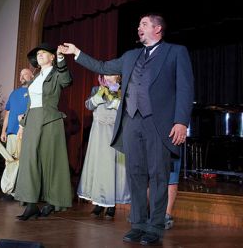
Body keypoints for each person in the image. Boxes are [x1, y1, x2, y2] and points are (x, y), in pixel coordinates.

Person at [61, 13, 194, 245]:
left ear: (157, 28)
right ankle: (138, 224)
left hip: (158, 123)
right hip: (132, 122)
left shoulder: (175, 52)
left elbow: (185, 88)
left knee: (159, 176)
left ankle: (155, 227)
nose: (138, 27)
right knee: (135, 175)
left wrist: (181, 121)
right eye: (139, 24)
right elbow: (101, 66)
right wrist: (77, 53)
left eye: (143, 24)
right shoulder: (131, 56)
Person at [14, 43, 73, 220]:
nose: (39, 55)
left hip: (50, 120)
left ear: (52, 56)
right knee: (29, 161)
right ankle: (30, 204)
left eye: (43, 53)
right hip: (32, 119)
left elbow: (66, 81)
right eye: (37, 54)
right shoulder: (36, 76)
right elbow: (31, 103)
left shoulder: (57, 73)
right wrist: (22, 125)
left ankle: (52, 201)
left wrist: (62, 60)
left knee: (50, 161)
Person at [77, 75, 130, 219]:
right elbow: (88, 105)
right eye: (105, 74)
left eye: (110, 74)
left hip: (114, 132)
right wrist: (100, 93)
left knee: (113, 168)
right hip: (99, 133)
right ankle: (99, 204)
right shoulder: (96, 89)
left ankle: (111, 205)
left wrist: (112, 97)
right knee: (99, 167)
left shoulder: (123, 89)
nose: (106, 77)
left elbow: (126, 109)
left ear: (117, 77)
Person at [0, 68, 34, 201]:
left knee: (23, 162)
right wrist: (3, 131)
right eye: (20, 75)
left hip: (26, 132)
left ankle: (20, 192)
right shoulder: (14, 93)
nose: (22, 77)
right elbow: (7, 113)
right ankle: (9, 191)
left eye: (25, 74)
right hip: (12, 132)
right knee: (10, 161)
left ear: (32, 75)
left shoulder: (34, 91)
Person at [165, 157, 182, 230]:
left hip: (171, 149)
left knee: (172, 179)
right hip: (153, 147)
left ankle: (167, 216)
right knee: (151, 178)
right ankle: (149, 214)